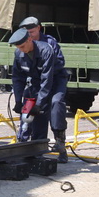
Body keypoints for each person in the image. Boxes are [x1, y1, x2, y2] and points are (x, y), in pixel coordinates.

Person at [9, 27, 69, 162]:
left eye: (22, 46)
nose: (21, 50)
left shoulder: (46, 50)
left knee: (56, 104)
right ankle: (37, 149)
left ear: (30, 39)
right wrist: (18, 101)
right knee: (35, 113)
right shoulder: (19, 54)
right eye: (18, 47)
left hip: (56, 81)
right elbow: (18, 79)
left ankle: (60, 143)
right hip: (37, 84)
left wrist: (39, 103)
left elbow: (47, 79)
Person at [19, 16, 69, 136]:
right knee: (30, 104)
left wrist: (43, 70)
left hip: (55, 80)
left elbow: (59, 63)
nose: (29, 35)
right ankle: (28, 138)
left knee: (56, 104)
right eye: (27, 33)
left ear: (38, 28)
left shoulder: (50, 43)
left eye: (32, 32)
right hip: (37, 81)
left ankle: (59, 138)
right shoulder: (24, 44)